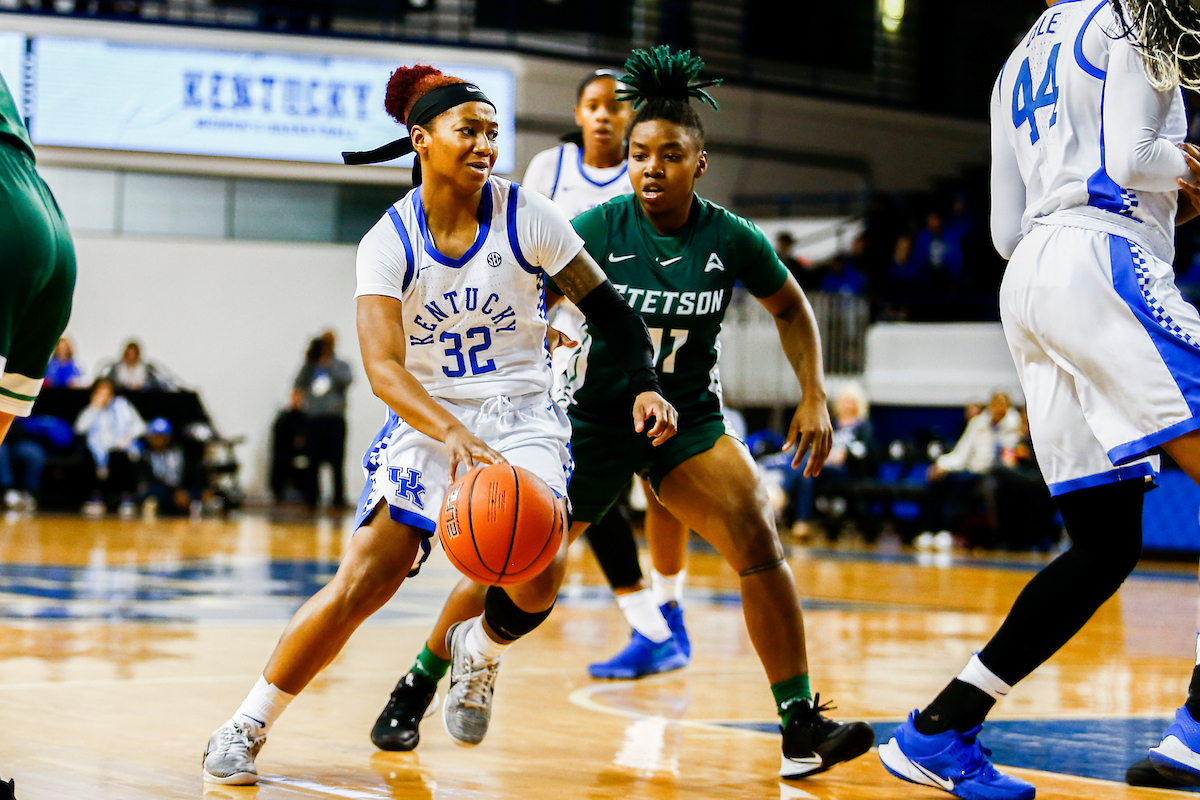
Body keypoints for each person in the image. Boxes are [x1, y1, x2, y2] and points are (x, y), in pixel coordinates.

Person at [371, 46, 874, 781]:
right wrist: (541, 331)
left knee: (757, 530)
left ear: (698, 164)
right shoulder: (598, 225)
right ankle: (419, 680)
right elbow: (527, 294)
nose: (651, 168)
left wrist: (814, 393)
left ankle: (800, 725)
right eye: (640, 154)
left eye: (670, 155)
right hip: (589, 421)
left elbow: (792, 306)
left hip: (688, 421)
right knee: (508, 547)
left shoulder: (729, 236)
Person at [200, 62, 675, 785]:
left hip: (521, 413)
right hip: (426, 417)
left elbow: (615, 317)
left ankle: (478, 650)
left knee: (536, 577)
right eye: (469, 131)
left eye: (493, 131)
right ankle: (247, 722)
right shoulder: (389, 241)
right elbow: (383, 368)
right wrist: (449, 433)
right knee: (364, 579)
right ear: (422, 140)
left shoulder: (528, 216)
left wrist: (645, 385)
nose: (486, 144)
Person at [876, 1, 1200, 797]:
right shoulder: (1136, 18)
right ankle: (1197, 729)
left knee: (1105, 545)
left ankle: (940, 729)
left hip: (1028, 278)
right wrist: (1192, 170)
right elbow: (1134, 159)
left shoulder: (1015, 58)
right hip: (1104, 259)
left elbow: (1001, 228)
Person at [521, 66, 695, 682]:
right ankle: (656, 624)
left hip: (642, 342)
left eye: (615, 106)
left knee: (657, 485)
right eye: (592, 105)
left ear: (632, 118)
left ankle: (664, 614)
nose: (603, 114)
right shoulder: (551, 169)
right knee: (586, 483)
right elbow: (525, 254)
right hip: (572, 351)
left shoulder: (647, 171)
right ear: (577, 113)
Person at [917, 390, 1020, 543]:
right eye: (995, 403)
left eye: (1002, 403)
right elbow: (961, 452)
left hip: (995, 473)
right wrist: (941, 465)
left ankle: (949, 530)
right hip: (973, 470)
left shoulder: (1014, 427)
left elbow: (1012, 457)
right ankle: (929, 530)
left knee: (963, 483)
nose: (998, 407)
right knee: (938, 479)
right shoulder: (978, 423)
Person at [291, 330, 353, 510]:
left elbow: (346, 380)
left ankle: (338, 499)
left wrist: (329, 366)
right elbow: (298, 385)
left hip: (334, 419)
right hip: (313, 419)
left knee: (336, 461)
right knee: (313, 460)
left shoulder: (341, 365)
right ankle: (311, 498)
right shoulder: (310, 367)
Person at [74, 377, 145, 519]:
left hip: (118, 446)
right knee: (89, 457)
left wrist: (127, 437)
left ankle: (126, 498)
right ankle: (96, 497)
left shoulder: (122, 405)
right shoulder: (91, 408)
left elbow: (140, 426)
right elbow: (79, 428)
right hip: (98, 449)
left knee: (121, 457)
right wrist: (95, 408)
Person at [140, 417, 205, 517]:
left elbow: (188, 474)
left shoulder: (178, 454)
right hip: (161, 492)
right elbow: (148, 481)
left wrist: (184, 492)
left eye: (162, 436)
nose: (159, 440)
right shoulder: (144, 457)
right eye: (156, 436)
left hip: (181, 490)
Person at [0, 418, 44, 513]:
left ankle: (30, 493)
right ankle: (8, 491)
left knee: (35, 453)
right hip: (1, 441)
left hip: (17, 441)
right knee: (1, 451)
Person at [98, 339, 175, 392]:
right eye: (129, 354)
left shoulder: (147, 369)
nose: (131, 357)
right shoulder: (115, 368)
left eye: (134, 354)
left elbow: (156, 386)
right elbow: (107, 383)